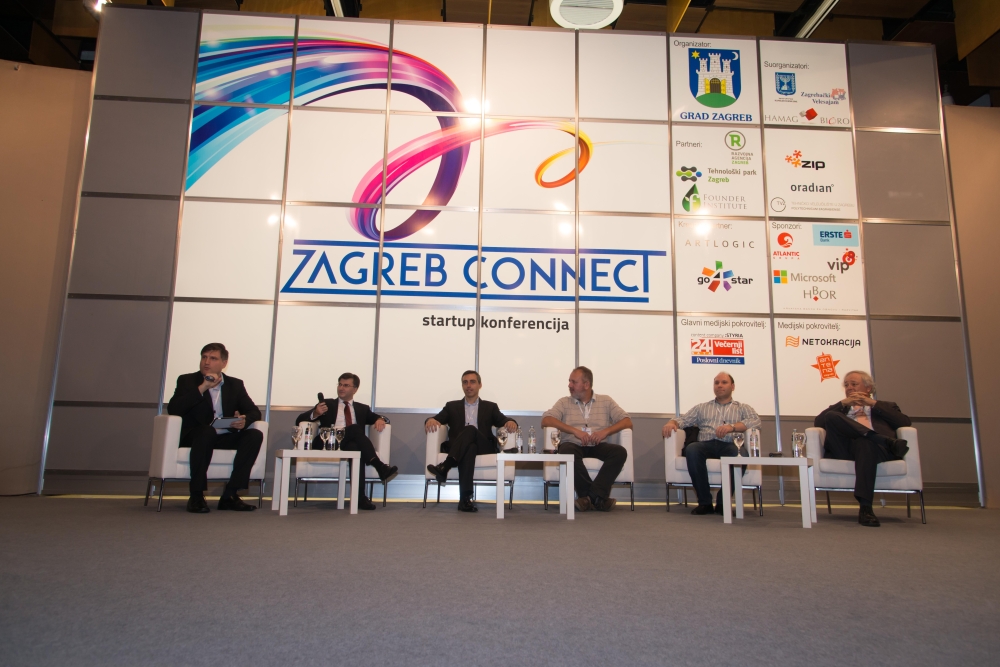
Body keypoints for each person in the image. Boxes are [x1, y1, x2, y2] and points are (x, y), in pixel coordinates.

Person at [167, 342, 263, 513]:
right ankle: (196, 495)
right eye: (204, 357)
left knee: (254, 435)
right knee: (207, 432)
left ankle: (230, 495)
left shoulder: (235, 385)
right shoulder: (187, 381)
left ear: (224, 363)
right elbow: (174, 409)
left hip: (223, 436)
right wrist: (203, 387)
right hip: (196, 436)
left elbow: (254, 411)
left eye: (213, 358)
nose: (207, 362)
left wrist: (244, 420)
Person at [814, 370, 910, 527]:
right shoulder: (840, 409)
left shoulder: (886, 406)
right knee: (831, 416)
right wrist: (843, 403)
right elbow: (818, 422)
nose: (849, 388)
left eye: (854, 384)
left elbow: (904, 422)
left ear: (868, 388)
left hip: (876, 451)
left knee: (865, 443)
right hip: (845, 449)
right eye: (846, 385)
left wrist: (872, 403)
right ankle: (883, 440)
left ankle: (866, 508)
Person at [662, 372, 760, 516]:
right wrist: (672, 422)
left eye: (724, 382)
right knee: (692, 449)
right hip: (706, 444)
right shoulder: (702, 407)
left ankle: (722, 503)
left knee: (741, 454)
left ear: (732, 386)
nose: (719, 385)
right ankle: (705, 503)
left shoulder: (742, 407)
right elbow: (683, 420)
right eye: (716, 383)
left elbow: (755, 422)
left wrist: (732, 427)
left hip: (730, 444)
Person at [296, 373, 398, 511]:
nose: (341, 388)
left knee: (356, 448)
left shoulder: (362, 408)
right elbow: (299, 420)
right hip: (327, 442)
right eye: (340, 384)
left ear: (355, 389)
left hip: (347, 444)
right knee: (355, 429)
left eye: (346, 385)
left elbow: (379, 418)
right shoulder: (327, 404)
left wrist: (379, 419)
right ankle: (379, 466)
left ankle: (359, 498)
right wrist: (316, 413)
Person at [425, 370, 518, 513]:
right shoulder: (452, 406)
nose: (468, 385)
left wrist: (511, 422)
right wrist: (430, 420)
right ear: (462, 385)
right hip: (461, 448)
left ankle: (446, 465)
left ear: (480, 385)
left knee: (470, 430)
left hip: (484, 447)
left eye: (472, 382)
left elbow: (504, 420)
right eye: (465, 382)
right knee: (470, 448)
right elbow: (436, 418)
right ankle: (465, 500)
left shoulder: (490, 407)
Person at [541, 366, 632, 512]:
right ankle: (598, 499)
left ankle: (588, 498)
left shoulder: (605, 401)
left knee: (619, 452)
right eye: (569, 381)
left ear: (586, 384)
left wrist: (605, 432)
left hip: (598, 444)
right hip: (573, 443)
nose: (569, 385)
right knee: (567, 451)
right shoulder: (564, 402)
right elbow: (546, 420)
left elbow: (627, 421)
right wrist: (574, 431)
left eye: (574, 382)